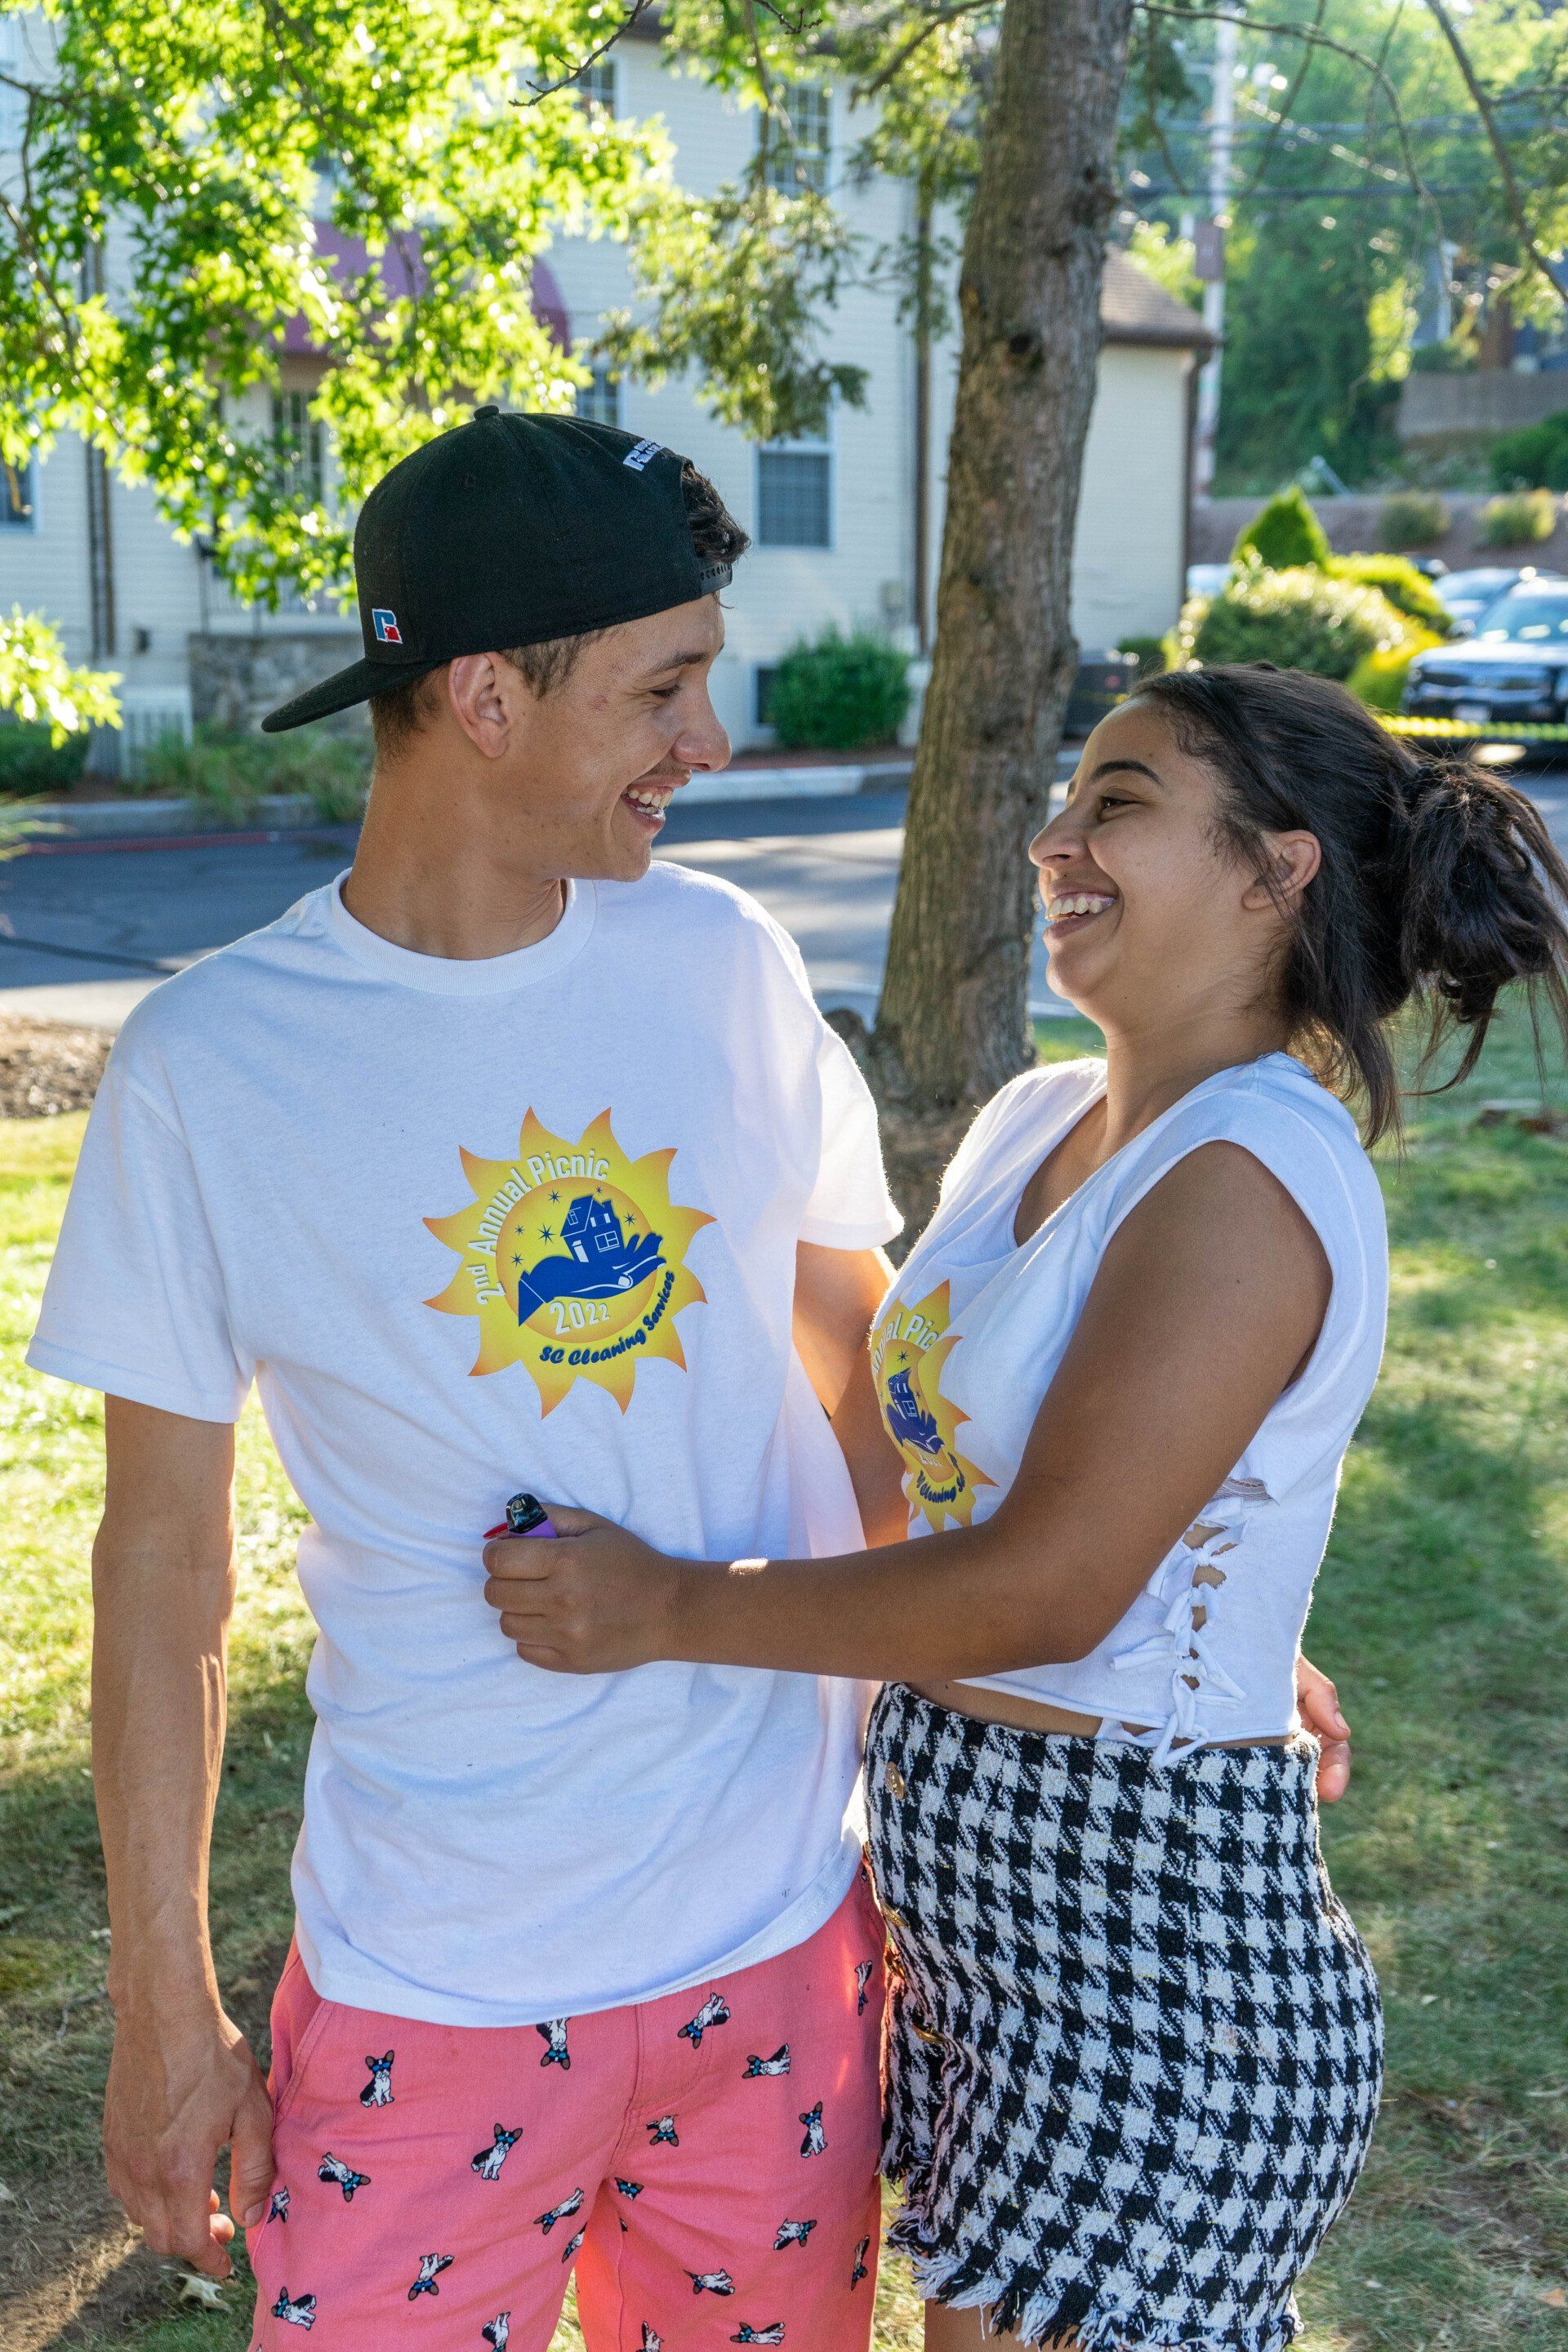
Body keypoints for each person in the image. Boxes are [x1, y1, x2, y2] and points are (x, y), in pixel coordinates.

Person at [480, 665, 1568, 2352]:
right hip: (982, 1933)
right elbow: (925, 1428)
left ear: (1278, 872)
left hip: (1156, 1956)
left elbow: (1052, 1586)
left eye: (1120, 803)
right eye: (1068, 796)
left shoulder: (1251, 1171)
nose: (1056, 835)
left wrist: (668, 1607)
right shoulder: (1043, 1115)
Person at [29, 410, 911, 2352]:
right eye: (664, 688)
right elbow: (161, 1567)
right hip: (432, 1982)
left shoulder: (727, 964)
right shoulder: (211, 1064)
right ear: (489, 697)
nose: (713, 743)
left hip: (780, 1947)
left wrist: (1101, 1635)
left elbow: (866, 1377)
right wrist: (169, 2013)